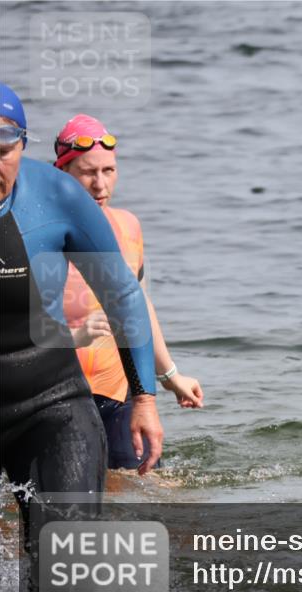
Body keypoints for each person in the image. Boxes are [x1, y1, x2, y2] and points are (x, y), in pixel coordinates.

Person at [0, 83, 163, 588]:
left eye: (2, 149)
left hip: (48, 400)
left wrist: (145, 398)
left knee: (67, 570)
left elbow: (123, 294)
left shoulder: (57, 195)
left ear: (22, 144)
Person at [56, 114, 204, 470]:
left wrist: (170, 376)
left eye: (108, 171)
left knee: (150, 488)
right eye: (87, 172)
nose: (100, 185)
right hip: (55, 396)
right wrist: (73, 336)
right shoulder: (40, 234)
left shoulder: (127, 226)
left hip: (117, 394)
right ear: (62, 173)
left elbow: (138, 306)